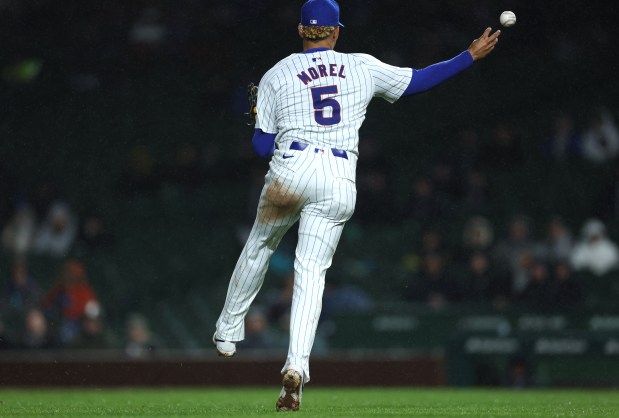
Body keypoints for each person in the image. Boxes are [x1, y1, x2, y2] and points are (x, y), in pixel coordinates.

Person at [212, 0, 500, 411]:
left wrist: (257, 112)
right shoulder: (361, 65)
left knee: (260, 244)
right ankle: (296, 366)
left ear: (300, 30)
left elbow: (260, 147)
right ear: (337, 31)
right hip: (338, 175)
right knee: (311, 272)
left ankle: (227, 329)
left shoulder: (276, 73)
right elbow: (418, 81)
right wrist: (468, 56)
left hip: (291, 167)